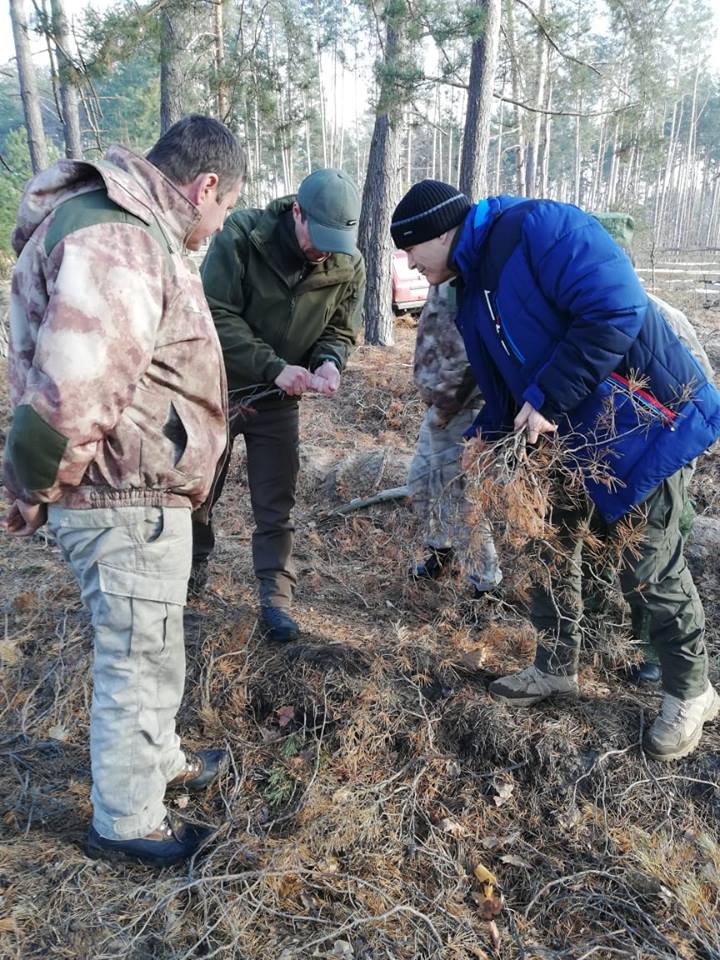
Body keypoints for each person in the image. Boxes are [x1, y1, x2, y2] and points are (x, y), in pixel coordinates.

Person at [390, 179, 720, 762]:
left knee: (647, 565)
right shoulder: (469, 287)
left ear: (441, 232)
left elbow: (616, 308)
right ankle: (556, 665)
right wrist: (483, 437)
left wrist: (546, 398)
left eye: (411, 248)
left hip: (640, 425)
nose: (408, 261)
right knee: (548, 545)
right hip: (568, 438)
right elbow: (501, 382)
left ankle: (690, 692)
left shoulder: (539, 228)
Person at [3, 115, 246, 866]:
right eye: (225, 207)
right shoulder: (120, 235)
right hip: (120, 495)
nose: (219, 224)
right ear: (205, 186)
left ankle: (157, 758)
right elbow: (70, 394)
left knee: (154, 644)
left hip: (137, 493)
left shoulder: (128, 226)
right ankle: (128, 821)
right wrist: (29, 490)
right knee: (135, 656)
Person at [193, 168, 366, 642]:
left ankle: (275, 600)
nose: (324, 251)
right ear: (297, 213)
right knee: (199, 492)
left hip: (278, 398)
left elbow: (339, 328)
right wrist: (272, 365)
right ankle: (189, 578)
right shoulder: (243, 236)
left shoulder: (347, 261)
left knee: (276, 504)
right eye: (319, 237)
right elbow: (216, 313)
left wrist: (330, 361)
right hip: (219, 388)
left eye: (337, 241)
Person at [407, 281, 502, 596]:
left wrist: (446, 406)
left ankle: (484, 587)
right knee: (424, 481)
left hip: (462, 405)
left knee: (462, 501)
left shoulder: (467, 278)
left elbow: (468, 356)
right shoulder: (443, 275)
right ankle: (440, 551)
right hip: (440, 402)